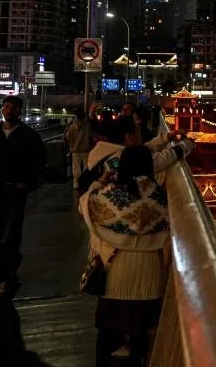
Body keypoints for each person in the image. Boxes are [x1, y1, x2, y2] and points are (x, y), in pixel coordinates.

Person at [80, 145, 169, 367]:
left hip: (118, 273)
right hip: (150, 273)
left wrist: (99, 182)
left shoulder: (111, 194)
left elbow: (85, 206)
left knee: (108, 336)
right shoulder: (161, 195)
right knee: (142, 338)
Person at [0, 96, 47, 297]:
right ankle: (13, 263)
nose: (9, 110)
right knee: (1, 233)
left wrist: (27, 183)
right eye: (6, 107)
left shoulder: (28, 135)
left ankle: (2, 279)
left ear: (19, 111)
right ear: (2, 109)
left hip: (16, 191)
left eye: (13, 108)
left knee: (10, 234)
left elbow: (39, 162)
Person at [78, 115, 193, 194]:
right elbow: (162, 160)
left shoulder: (105, 150)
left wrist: (167, 137)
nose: (140, 134)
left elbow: (145, 148)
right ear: (129, 137)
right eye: (138, 131)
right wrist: (188, 144)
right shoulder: (123, 158)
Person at [64, 107, 93, 190]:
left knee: (76, 168)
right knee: (86, 167)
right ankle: (86, 182)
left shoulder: (72, 126)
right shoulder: (87, 125)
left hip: (75, 151)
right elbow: (90, 136)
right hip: (86, 150)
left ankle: (76, 183)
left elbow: (67, 137)